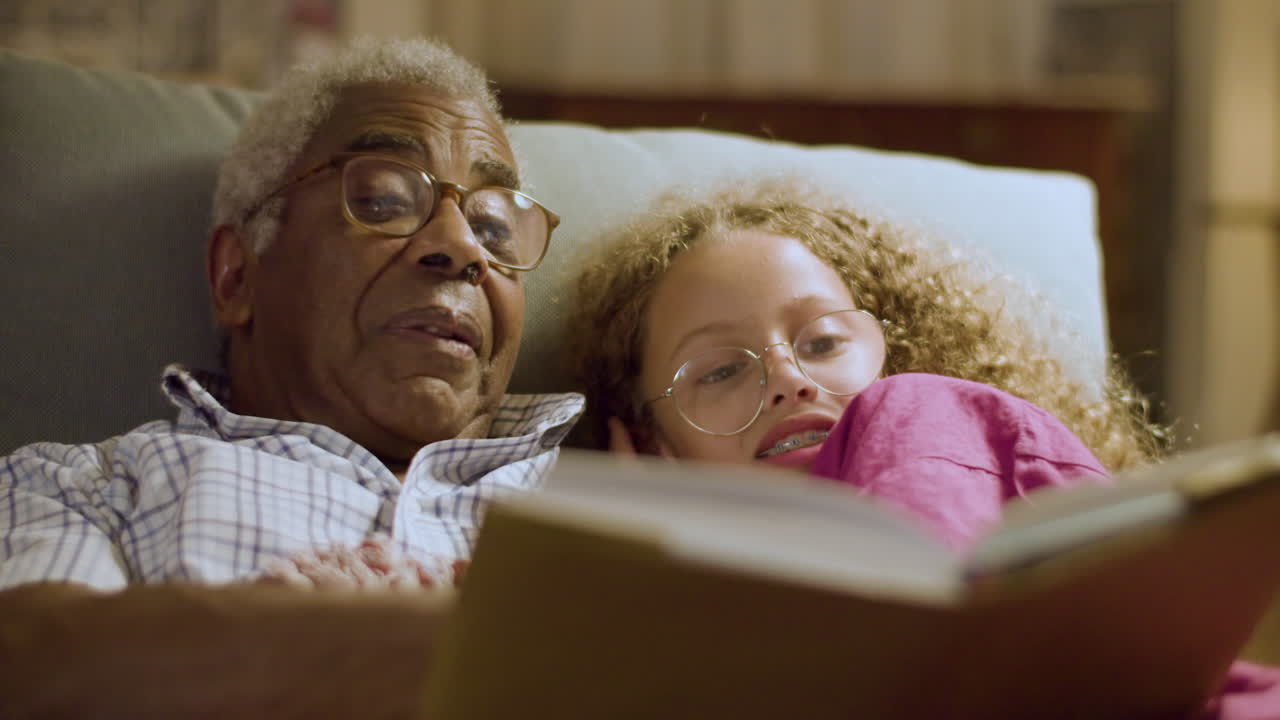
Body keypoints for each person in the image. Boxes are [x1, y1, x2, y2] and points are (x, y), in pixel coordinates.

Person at [0, 37, 582, 717]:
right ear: (237, 275)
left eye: (493, 226)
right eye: (386, 199)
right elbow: (32, 668)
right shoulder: (81, 489)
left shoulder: (618, 498)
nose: (461, 249)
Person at [566, 181, 1280, 717]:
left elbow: (925, 647)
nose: (788, 378)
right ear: (652, 446)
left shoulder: (912, 410)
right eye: (721, 370)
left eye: (821, 342)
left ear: (887, 355)